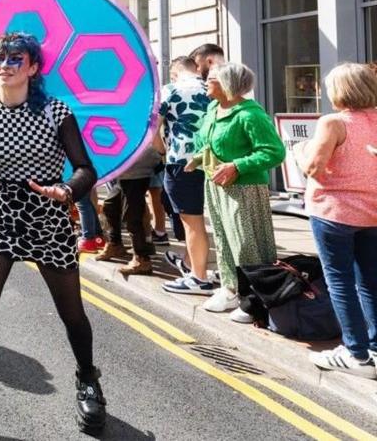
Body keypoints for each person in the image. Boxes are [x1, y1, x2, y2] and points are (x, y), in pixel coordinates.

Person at [0, 32, 103, 439]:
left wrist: (67, 190)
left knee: (71, 313)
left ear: (33, 68)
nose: (4, 65)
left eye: (15, 59)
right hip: (2, 212)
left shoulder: (57, 112)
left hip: (49, 213)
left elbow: (85, 169)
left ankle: (88, 379)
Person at [186, 62, 284, 323]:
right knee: (224, 239)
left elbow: (274, 152)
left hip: (244, 188)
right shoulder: (213, 108)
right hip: (216, 185)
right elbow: (210, 143)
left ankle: (255, 300)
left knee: (245, 244)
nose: (207, 82)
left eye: (213, 79)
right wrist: (198, 159)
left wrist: (237, 166)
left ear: (229, 84)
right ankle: (230, 288)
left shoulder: (249, 114)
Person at [296, 63, 377, 378]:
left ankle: (356, 354)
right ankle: (373, 348)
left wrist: (301, 150)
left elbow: (312, 168)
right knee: (370, 282)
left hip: (334, 213)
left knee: (340, 281)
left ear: (340, 90)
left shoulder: (332, 123)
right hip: (372, 213)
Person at [158, 56, 216, 295]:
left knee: (192, 221)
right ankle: (192, 264)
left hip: (182, 160)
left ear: (175, 73)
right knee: (211, 221)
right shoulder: (212, 87)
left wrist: (161, 150)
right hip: (213, 160)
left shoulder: (170, 90)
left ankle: (199, 279)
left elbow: (154, 128)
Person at [95, 146, 162, 276]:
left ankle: (142, 259)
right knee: (110, 206)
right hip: (125, 173)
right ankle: (115, 245)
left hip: (138, 172)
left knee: (133, 217)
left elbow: (156, 147)